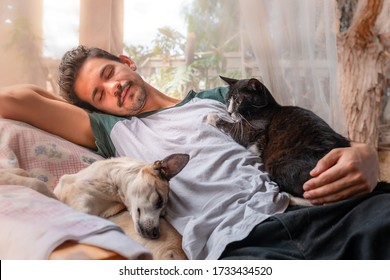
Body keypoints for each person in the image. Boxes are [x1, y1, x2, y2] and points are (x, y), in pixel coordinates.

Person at [0, 45, 388, 259]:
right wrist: (79, 106)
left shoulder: (220, 99)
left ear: (126, 61)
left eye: (108, 74)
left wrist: (363, 152)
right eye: (98, 96)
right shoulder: (114, 129)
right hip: (241, 248)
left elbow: (298, 132)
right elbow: (16, 100)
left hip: (317, 209)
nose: (112, 89)